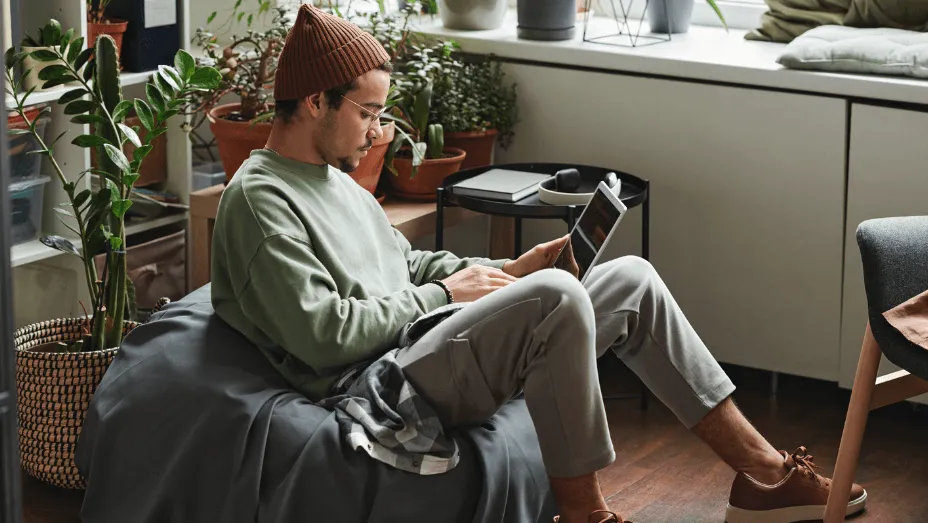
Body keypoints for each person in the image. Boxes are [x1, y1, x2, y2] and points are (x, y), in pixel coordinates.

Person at [209, 5, 867, 523]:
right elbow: (322, 335)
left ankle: (763, 474)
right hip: (378, 380)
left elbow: (406, 265)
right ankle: (584, 513)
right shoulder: (261, 200)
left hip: (418, 340)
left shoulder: (336, 181)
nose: (377, 132)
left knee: (630, 281)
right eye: (368, 114)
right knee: (557, 295)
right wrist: (446, 295)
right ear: (317, 101)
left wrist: (506, 269)